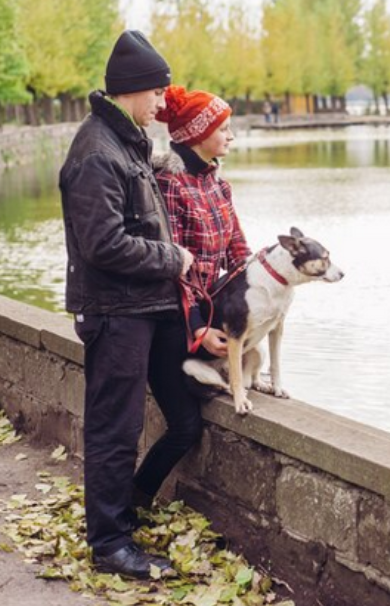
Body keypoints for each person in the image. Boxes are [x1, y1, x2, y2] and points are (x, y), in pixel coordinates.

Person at [59, 30, 200, 580]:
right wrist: (172, 258)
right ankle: (110, 545)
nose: (163, 102)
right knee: (114, 431)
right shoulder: (97, 152)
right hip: (116, 313)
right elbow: (104, 244)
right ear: (133, 88)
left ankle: (123, 519)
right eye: (158, 92)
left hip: (145, 308)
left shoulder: (126, 140)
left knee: (177, 417)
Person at [153, 85, 251, 364]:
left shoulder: (219, 186)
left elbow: (238, 252)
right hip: (178, 321)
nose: (231, 136)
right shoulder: (170, 184)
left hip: (212, 311)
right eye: (223, 129)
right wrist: (198, 326)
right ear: (198, 134)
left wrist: (263, 286)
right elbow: (174, 264)